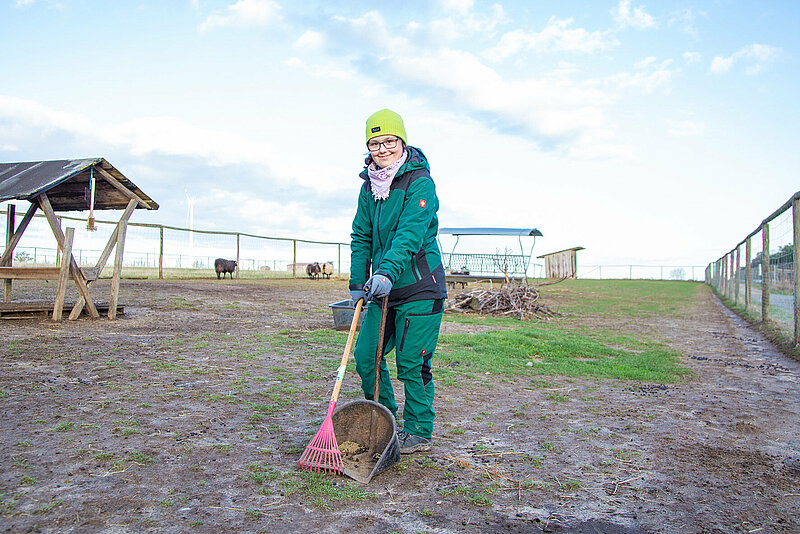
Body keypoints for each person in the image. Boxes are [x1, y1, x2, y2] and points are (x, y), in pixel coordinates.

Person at [349, 108, 448, 454]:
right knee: (366, 356)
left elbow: (409, 234)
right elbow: (361, 235)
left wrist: (387, 271)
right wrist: (357, 281)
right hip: (381, 288)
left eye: (389, 141)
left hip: (420, 287)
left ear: (402, 141)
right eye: (375, 143)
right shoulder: (369, 188)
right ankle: (384, 420)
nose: (383, 149)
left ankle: (419, 429)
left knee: (411, 361)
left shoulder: (419, 181)